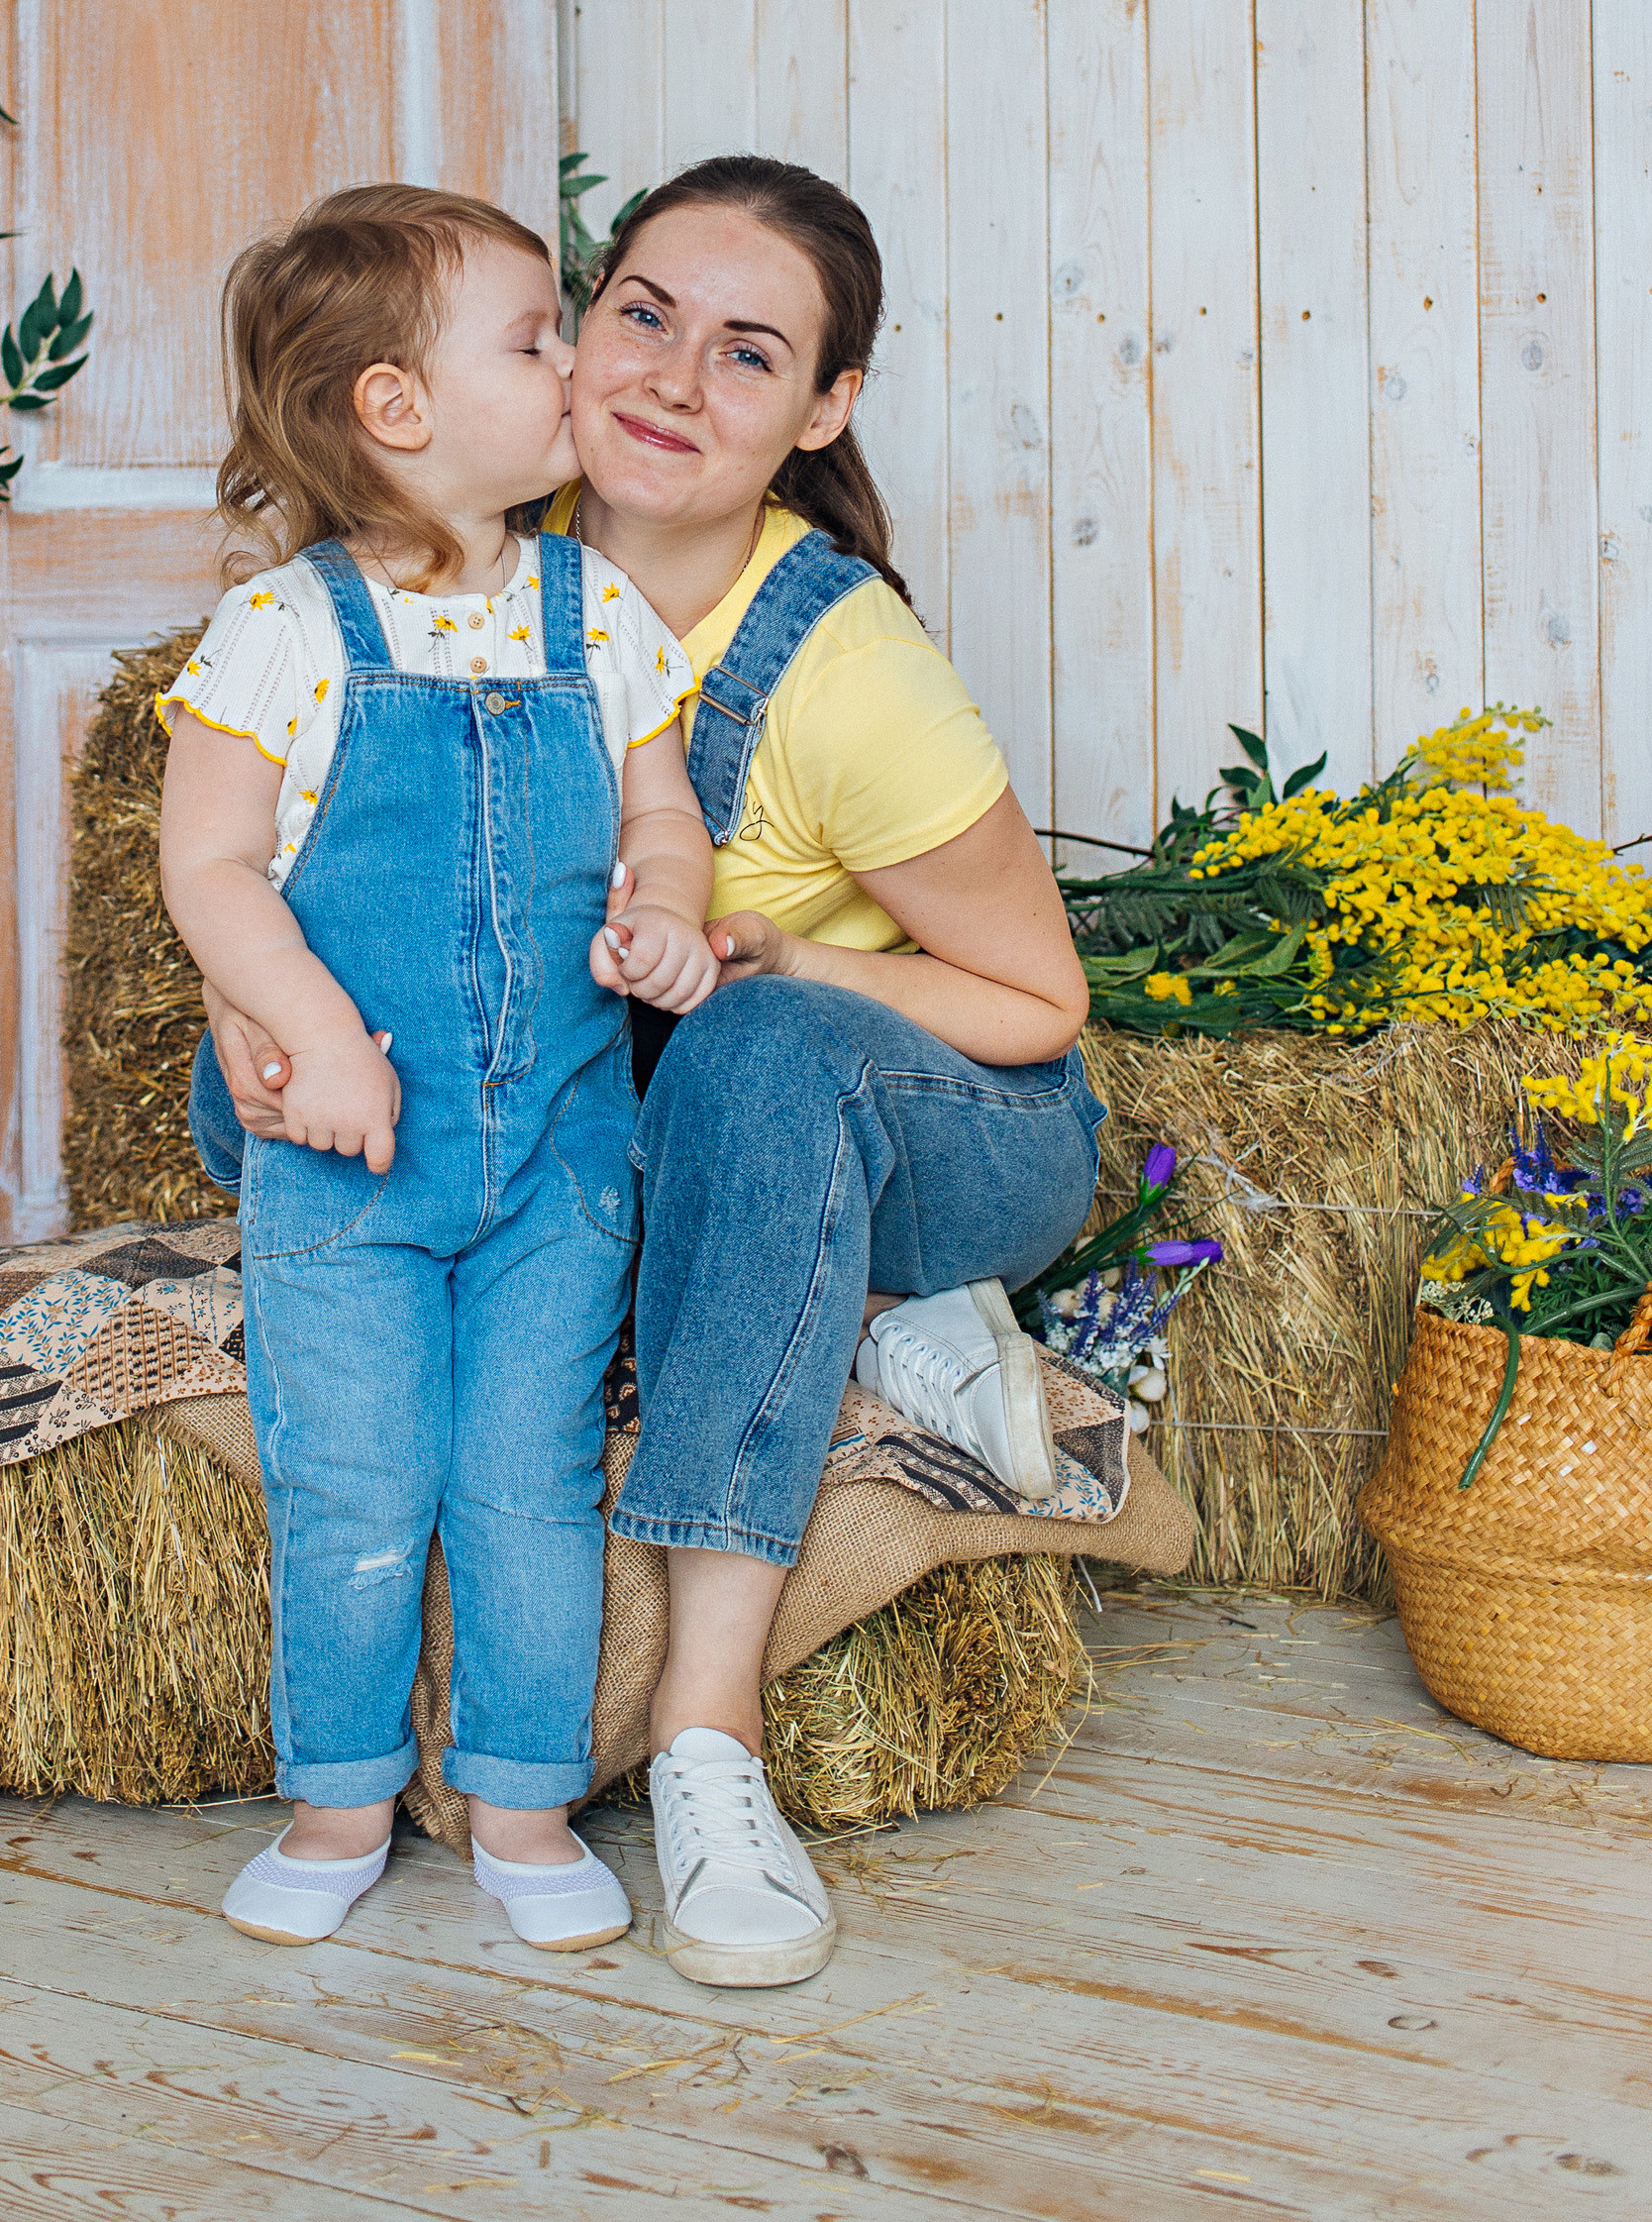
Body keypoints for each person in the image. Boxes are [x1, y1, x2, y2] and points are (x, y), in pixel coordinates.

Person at [201, 157, 1101, 1991]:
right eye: (637, 317)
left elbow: (1036, 1004)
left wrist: (785, 952)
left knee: (757, 1052)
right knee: (274, 1085)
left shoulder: (845, 672)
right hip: (614, 1116)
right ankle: (859, 1330)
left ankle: (708, 1737)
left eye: (749, 354)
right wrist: (265, 1019)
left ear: (824, 411)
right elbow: (266, 852)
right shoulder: (453, 556)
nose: (670, 379)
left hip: (948, 1122)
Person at [157, 183, 722, 1956]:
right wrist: (316, 1037)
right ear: (395, 407)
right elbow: (209, 871)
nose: (577, 365)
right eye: (537, 338)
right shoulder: (285, 631)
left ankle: (523, 1805)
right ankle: (335, 1797)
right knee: (353, 1479)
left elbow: (660, 812)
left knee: (528, 1482)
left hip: (559, 1153)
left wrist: (669, 913)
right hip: (349, 1159)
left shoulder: (594, 610)